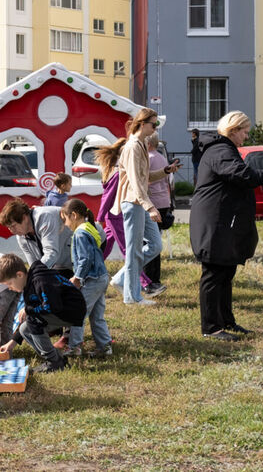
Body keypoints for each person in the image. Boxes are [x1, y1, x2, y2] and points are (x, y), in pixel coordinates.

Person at [190, 111, 263, 341]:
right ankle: (211, 327)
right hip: (214, 224)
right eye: (245, 132)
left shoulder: (225, 149)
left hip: (223, 223)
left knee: (226, 272)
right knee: (214, 275)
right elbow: (239, 173)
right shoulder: (220, 150)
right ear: (234, 129)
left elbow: (240, 177)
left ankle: (226, 321)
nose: (246, 137)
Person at [108, 108, 168, 305]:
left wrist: (166, 171)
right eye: (154, 124)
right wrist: (150, 207)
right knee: (134, 250)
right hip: (133, 203)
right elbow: (134, 181)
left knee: (155, 245)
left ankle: (120, 279)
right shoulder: (133, 146)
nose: (156, 128)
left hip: (140, 202)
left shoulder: (141, 144)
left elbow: (145, 178)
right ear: (142, 124)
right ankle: (132, 297)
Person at [0, 253, 85, 373]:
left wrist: (29, 310)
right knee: (24, 329)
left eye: (9, 284)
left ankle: (54, 362)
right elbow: (35, 310)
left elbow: (52, 307)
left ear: (19, 275)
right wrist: (13, 342)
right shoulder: (29, 284)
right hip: (61, 309)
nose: (10, 288)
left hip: (71, 310)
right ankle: (57, 358)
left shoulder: (40, 281)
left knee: (34, 322)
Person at [61, 199, 112, 358]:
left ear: (74, 215)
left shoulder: (80, 233)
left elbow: (85, 259)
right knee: (97, 316)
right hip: (101, 277)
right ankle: (104, 347)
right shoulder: (90, 227)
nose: (66, 224)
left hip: (92, 279)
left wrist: (77, 277)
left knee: (78, 313)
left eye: (66, 220)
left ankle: (74, 347)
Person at [144, 133, 180, 295]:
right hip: (164, 201)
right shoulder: (161, 157)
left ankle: (150, 280)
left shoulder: (148, 158)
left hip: (152, 203)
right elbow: (167, 180)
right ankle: (154, 278)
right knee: (155, 241)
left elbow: (145, 180)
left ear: (148, 143)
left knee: (149, 243)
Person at [0, 198, 73, 273]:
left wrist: (33, 274)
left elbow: (51, 253)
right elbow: (33, 264)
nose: (12, 231)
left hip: (76, 262)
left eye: (13, 226)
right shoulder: (20, 236)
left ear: (24, 218)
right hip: (60, 266)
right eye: (9, 228)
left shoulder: (45, 217)